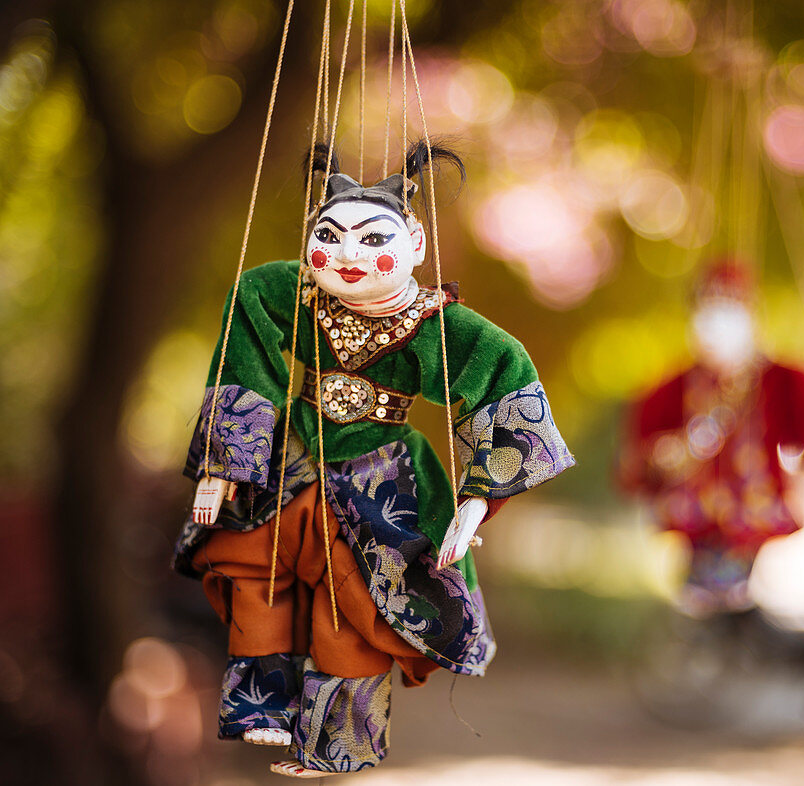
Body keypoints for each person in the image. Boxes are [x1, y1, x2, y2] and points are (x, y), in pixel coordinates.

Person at [172, 142, 574, 778]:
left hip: (384, 475)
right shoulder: (298, 296)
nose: (349, 256)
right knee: (255, 565)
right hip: (294, 454)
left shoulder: (436, 325)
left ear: (415, 241)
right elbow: (247, 305)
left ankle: (338, 746)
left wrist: (476, 499)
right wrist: (226, 461)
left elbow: (503, 372)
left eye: (371, 238)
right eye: (329, 238)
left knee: (353, 609)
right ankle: (259, 708)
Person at [619, 259, 804, 616]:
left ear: (752, 311)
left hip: (757, 523)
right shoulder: (670, 389)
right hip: (694, 523)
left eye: (733, 301)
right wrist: (665, 456)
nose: (721, 314)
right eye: (712, 301)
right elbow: (635, 468)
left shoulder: (786, 382)